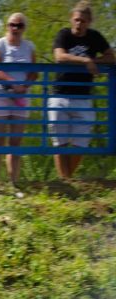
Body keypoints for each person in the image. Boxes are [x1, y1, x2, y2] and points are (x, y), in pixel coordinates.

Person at [50, 2, 113, 180]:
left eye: (83, 21)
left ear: (89, 22)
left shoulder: (94, 37)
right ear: (71, 19)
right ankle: (65, 182)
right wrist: (85, 61)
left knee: (81, 142)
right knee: (60, 142)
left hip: (83, 97)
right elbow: (59, 56)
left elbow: (111, 57)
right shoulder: (64, 34)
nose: (79, 24)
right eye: (76, 20)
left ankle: (67, 179)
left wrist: (95, 61)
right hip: (60, 94)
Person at [0, 12, 36, 185]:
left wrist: (24, 87)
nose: (15, 28)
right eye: (12, 25)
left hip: (20, 98)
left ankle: (13, 182)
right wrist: (13, 84)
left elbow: (34, 72)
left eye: (19, 25)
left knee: (16, 142)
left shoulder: (29, 46)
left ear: (24, 28)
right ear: (7, 26)